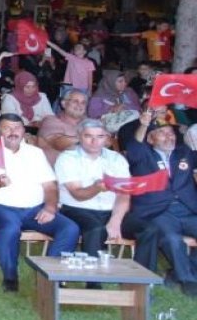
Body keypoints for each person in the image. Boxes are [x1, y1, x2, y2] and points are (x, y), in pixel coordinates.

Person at [0, 113, 79, 292]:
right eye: (7, 128)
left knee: (70, 228)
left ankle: (49, 277)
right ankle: (11, 278)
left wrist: (50, 207)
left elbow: (50, 186)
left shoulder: (35, 153)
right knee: (10, 225)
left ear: (23, 130)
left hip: (32, 210)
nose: (13, 132)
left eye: (17, 127)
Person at [120, 107, 197, 295]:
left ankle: (179, 273)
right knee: (172, 239)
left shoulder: (184, 152)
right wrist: (143, 125)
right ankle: (189, 282)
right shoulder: (142, 155)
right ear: (150, 138)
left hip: (188, 210)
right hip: (159, 211)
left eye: (170, 133)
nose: (168, 136)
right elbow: (134, 146)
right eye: (161, 133)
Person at [54, 118, 130, 274]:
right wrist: (96, 188)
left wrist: (116, 220)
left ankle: (146, 280)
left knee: (148, 228)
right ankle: (93, 280)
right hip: (76, 208)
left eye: (100, 136)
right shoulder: (67, 158)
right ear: (79, 136)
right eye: (89, 136)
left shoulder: (117, 159)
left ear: (107, 138)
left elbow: (124, 194)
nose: (94, 141)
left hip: (112, 210)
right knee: (96, 228)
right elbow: (77, 195)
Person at [38, 89, 89, 166]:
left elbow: (108, 141)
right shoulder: (51, 121)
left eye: (83, 103)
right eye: (75, 101)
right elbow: (59, 143)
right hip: (57, 171)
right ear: (64, 103)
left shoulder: (90, 122)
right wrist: (93, 139)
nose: (80, 105)